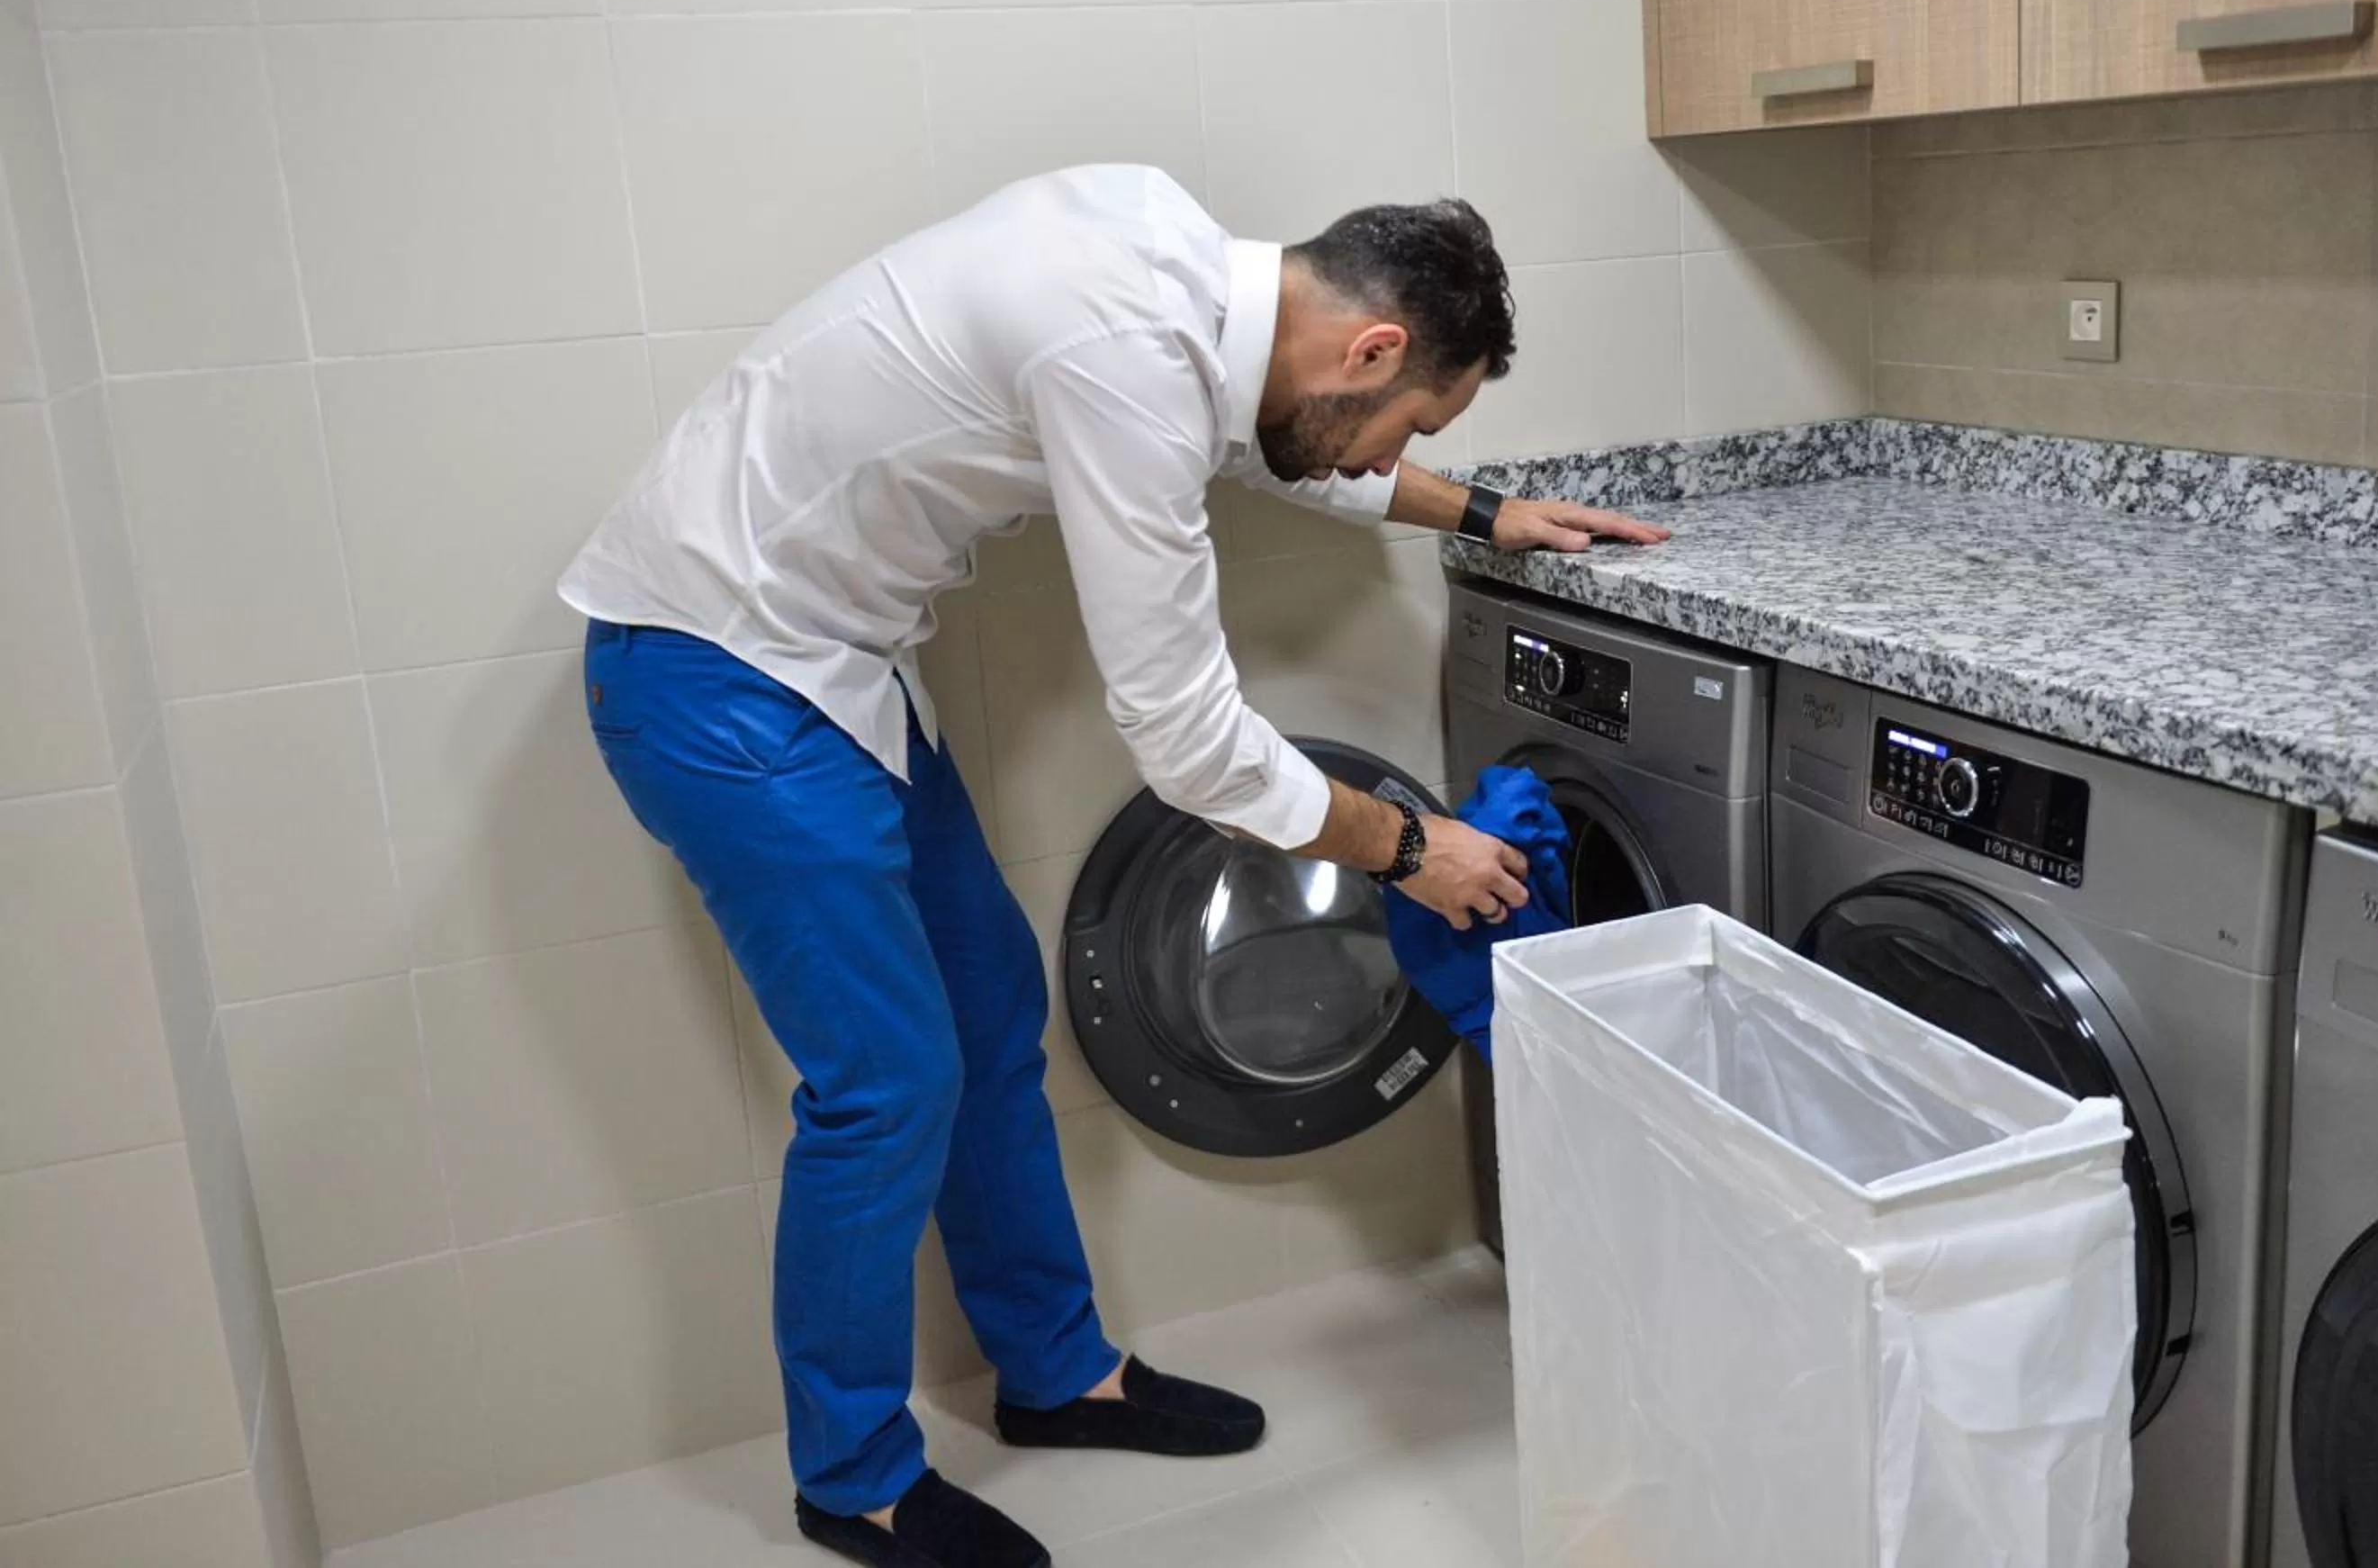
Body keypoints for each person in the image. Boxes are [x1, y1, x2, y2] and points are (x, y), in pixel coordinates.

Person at [559, 166, 1668, 1568]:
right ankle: (850, 1478)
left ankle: (1053, 1373)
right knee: (884, 1084)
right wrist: (1409, 851)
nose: (1377, 449)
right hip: (714, 678)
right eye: (1409, 419)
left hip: (823, 668)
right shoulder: (1126, 350)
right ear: (1371, 348)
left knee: (985, 1019)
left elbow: (1282, 442)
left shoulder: (1180, 265)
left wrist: (1481, 513)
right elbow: (1192, 745)